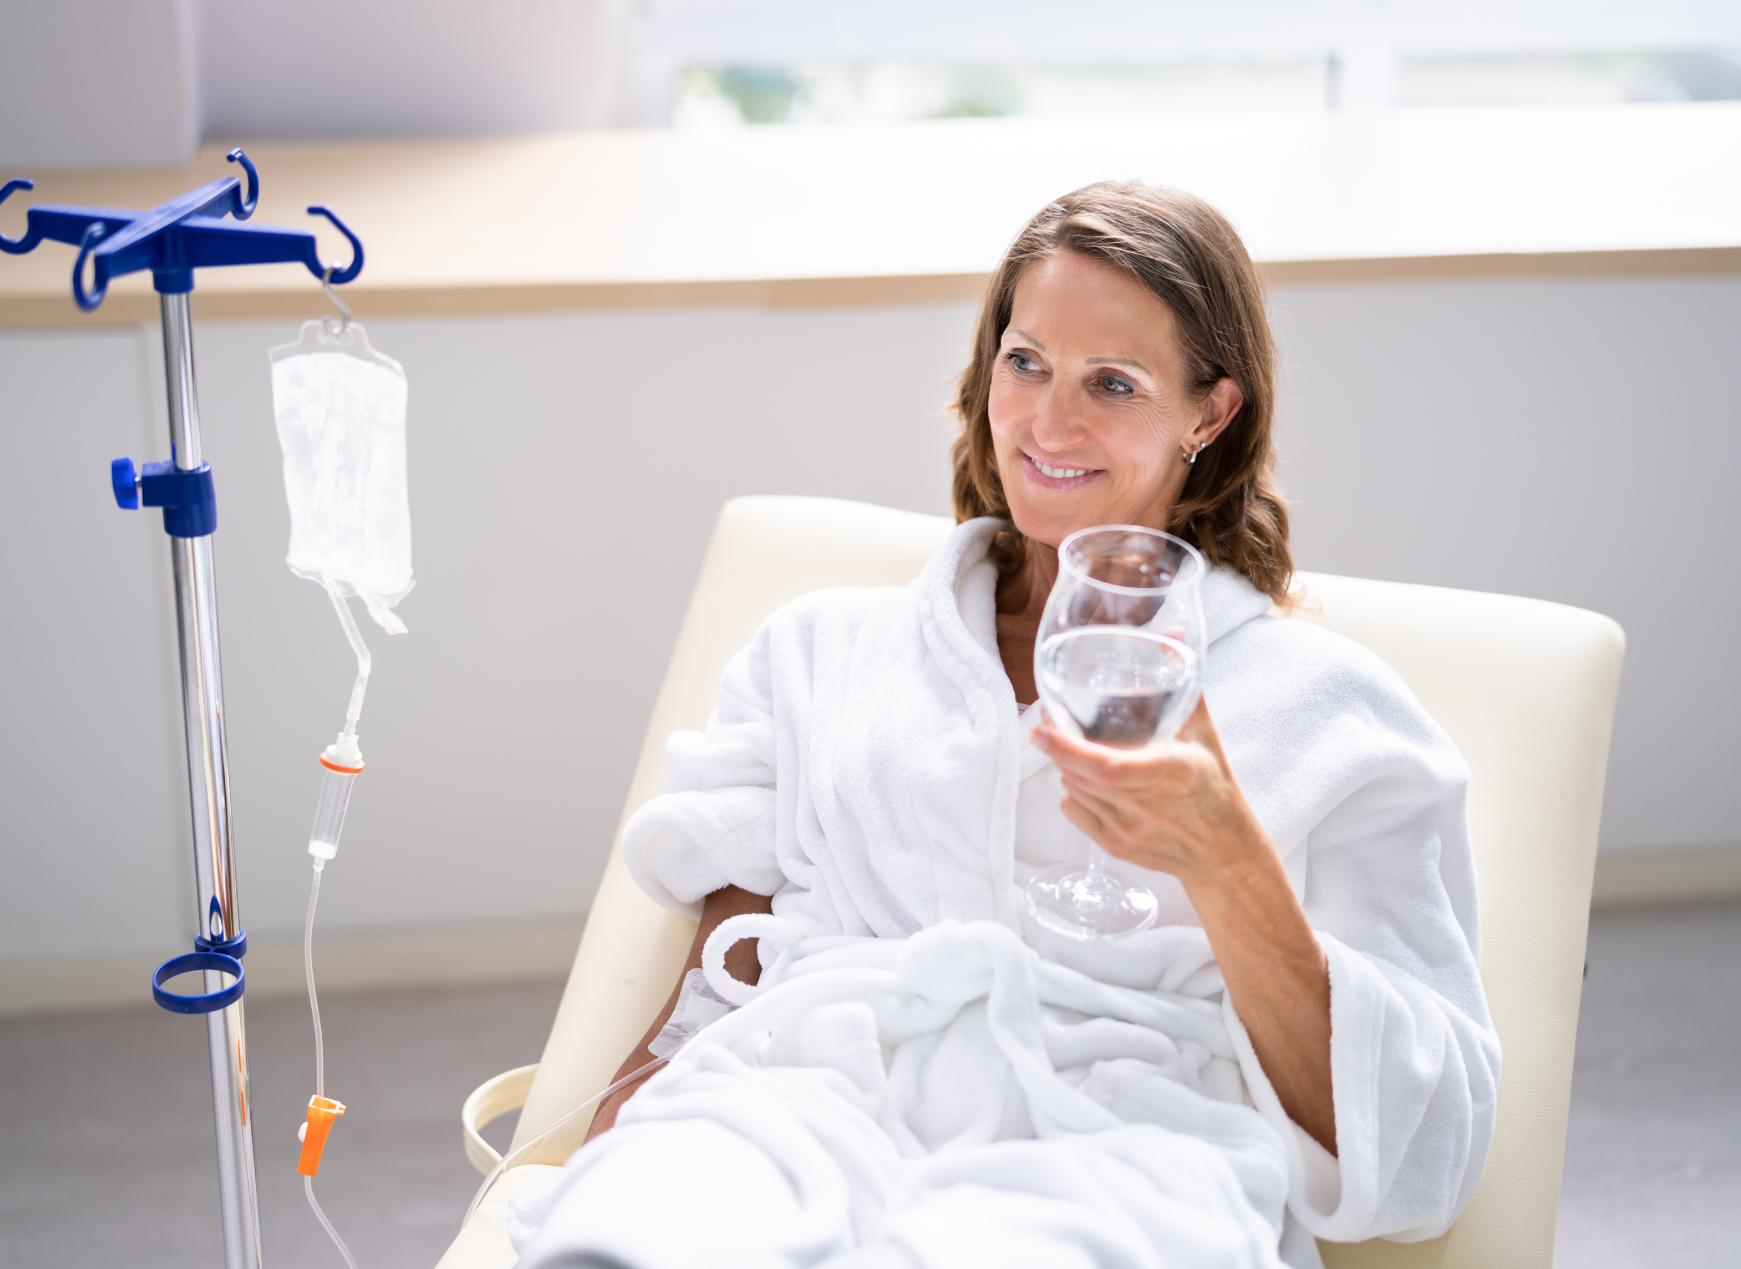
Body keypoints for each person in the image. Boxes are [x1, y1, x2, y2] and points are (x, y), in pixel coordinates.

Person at [510, 182, 1500, 1269]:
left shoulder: (1332, 714)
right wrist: (612, 1155)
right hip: (802, 1101)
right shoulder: (820, 651)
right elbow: (718, 974)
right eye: (1025, 362)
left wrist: (1228, 865)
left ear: (1210, 414)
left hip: (1117, 1149)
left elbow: (1425, 1146)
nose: (1049, 423)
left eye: (1111, 384)